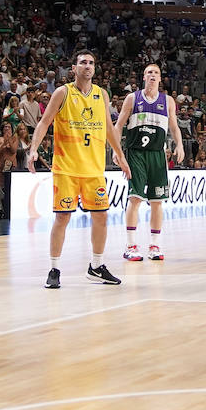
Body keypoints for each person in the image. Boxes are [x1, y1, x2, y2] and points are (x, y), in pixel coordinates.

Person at [27, 50, 130, 289]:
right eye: (83, 62)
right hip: (66, 168)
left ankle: (96, 266)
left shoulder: (101, 94)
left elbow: (108, 128)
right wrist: (33, 149)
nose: (88, 66)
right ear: (73, 68)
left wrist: (120, 155)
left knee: (101, 217)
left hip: (94, 169)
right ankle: (54, 269)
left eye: (91, 62)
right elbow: (44, 123)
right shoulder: (63, 92)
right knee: (62, 217)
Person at [117, 63, 184, 262]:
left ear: (160, 78)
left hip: (157, 154)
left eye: (156, 72)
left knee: (157, 202)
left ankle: (155, 245)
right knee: (135, 198)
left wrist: (179, 145)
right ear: (143, 77)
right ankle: (131, 245)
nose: (152, 75)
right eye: (149, 72)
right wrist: (117, 150)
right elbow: (118, 125)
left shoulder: (168, 101)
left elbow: (174, 125)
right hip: (136, 153)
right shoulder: (132, 98)